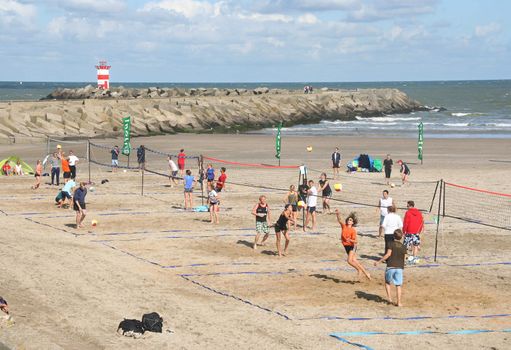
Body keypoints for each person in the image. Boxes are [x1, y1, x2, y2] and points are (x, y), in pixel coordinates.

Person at [374, 229, 407, 306]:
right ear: (401, 237)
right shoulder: (403, 247)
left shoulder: (390, 244)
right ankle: (399, 302)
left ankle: (390, 299)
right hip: (399, 267)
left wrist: (379, 261)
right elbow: (404, 258)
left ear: (393, 236)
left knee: (387, 283)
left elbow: (388, 254)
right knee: (398, 285)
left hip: (391, 266)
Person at [336, 209, 371, 280]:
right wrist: (338, 213)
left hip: (352, 246)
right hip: (346, 246)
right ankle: (366, 273)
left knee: (349, 261)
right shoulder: (344, 226)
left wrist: (350, 240)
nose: (349, 220)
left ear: (353, 223)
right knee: (355, 261)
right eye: (348, 219)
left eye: (351, 220)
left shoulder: (353, 231)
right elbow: (339, 220)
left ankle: (359, 270)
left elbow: (356, 241)